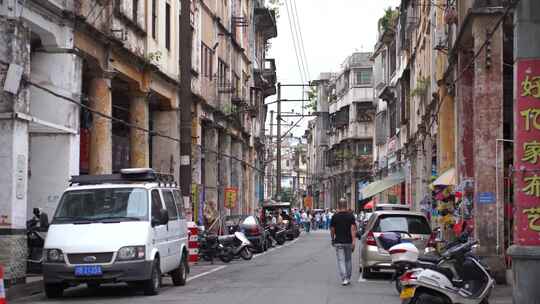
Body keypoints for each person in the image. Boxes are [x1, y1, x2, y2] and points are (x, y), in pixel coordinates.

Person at [330, 198, 357, 286]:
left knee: (341, 260)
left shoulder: (335, 216)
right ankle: (348, 278)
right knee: (348, 260)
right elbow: (353, 230)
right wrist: (353, 241)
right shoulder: (351, 216)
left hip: (338, 242)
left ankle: (344, 278)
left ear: (338, 205)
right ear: (346, 205)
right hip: (348, 242)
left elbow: (332, 229)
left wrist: (332, 239)